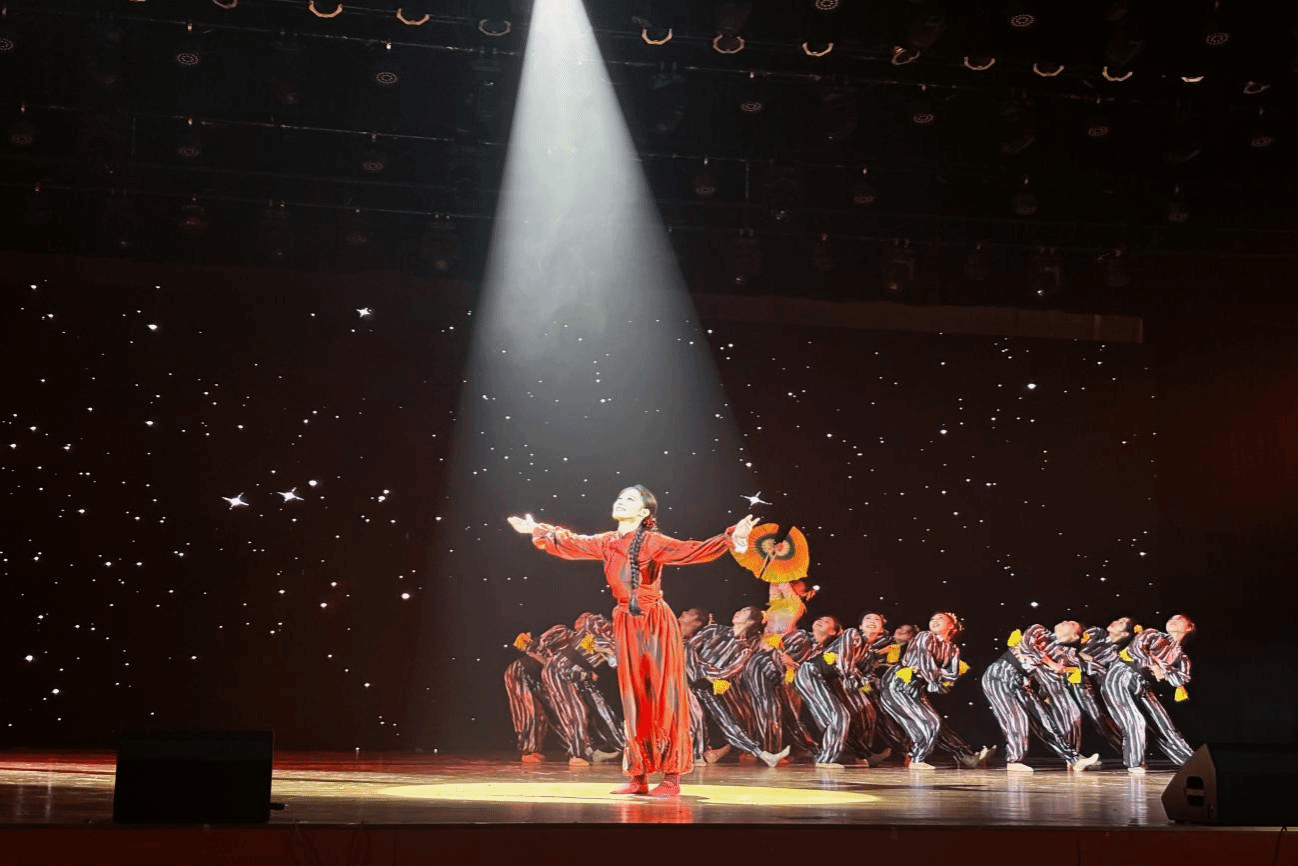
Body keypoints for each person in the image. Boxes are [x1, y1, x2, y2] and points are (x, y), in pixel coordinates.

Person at [508, 485, 757, 797]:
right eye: (619, 497)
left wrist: (730, 537)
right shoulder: (607, 541)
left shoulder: (652, 541)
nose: (620, 501)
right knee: (633, 699)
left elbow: (690, 550)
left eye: (630, 499)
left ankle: (671, 777)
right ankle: (638, 775)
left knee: (663, 697)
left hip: (654, 622)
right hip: (626, 622)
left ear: (644, 512)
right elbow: (573, 542)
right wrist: (537, 529)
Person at [1102, 615, 1196, 774]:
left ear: (1189, 628)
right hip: (1120, 676)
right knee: (1134, 720)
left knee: (1164, 723)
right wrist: (1154, 665)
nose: (1173, 619)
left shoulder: (1182, 658)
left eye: (1180, 618)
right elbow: (1136, 649)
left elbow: (1182, 678)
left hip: (1143, 684)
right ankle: (1134, 763)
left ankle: (1191, 761)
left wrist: (1164, 668)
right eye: (1172, 617)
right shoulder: (1152, 634)